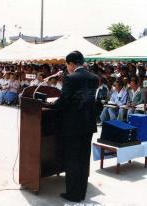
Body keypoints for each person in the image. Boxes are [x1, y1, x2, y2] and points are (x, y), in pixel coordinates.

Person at [51, 51, 99, 202]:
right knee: (84, 159)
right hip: (88, 124)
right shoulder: (94, 78)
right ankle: (82, 192)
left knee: (72, 159)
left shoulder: (70, 78)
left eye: (67, 65)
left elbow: (64, 100)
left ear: (71, 64)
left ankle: (73, 194)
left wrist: (53, 105)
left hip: (73, 125)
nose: (67, 68)